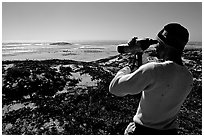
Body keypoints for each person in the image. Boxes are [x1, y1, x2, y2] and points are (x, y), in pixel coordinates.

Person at [109, 23, 193, 135]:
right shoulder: (188, 77)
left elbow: (114, 88)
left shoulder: (154, 70)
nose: (156, 46)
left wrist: (128, 68)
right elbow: (160, 79)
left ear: (166, 45)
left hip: (143, 131)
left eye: (159, 43)